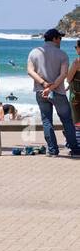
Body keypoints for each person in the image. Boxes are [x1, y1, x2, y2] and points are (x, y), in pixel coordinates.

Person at [28, 28, 79, 158]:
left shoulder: (34, 52)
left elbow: (30, 71)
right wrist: (51, 87)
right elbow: (63, 75)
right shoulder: (62, 54)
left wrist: (44, 84)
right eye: (60, 38)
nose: (60, 41)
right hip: (58, 92)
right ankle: (75, 149)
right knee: (67, 121)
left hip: (41, 92)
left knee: (47, 121)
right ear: (55, 39)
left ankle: (52, 150)